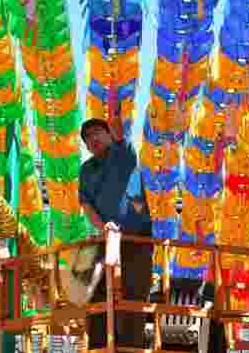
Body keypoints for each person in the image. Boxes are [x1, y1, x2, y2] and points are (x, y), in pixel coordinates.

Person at [78, 118, 153, 350]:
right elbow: (87, 205)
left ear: (110, 134)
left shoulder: (123, 153)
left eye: (99, 132)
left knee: (133, 296)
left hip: (135, 238)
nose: (94, 138)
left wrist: (114, 103)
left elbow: (120, 129)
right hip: (107, 238)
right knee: (94, 292)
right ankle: (98, 346)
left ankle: (131, 347)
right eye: (88, 137)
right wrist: (103, 227)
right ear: (87, 146)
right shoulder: (86, 170)